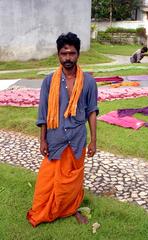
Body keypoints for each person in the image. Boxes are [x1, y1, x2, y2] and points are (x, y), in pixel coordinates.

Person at [27, 32, 99, 227]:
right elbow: (43, 113)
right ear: (58, 55)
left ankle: (69, 209)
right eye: (63, 53)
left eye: (72, 53)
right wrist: (42, 140)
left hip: (77, 139)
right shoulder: (49, 81)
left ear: (78, 54)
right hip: (55, 138)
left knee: (73, 181)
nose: (68, 58)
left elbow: (92, 111)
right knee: (47, 181)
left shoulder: (89, 82)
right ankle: (44, 209)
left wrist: (93, 140)